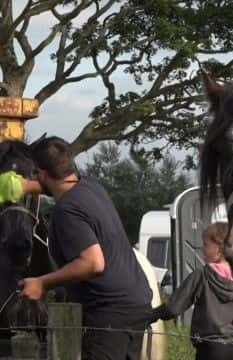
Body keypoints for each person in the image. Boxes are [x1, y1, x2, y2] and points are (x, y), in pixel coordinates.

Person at [5, 137, 152, 360]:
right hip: (135, 305)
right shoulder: (91, 187)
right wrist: (21, 186)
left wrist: (42, 282)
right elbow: (55, 184)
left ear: (41, 173)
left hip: (109, 314)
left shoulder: (67, 210)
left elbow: (93, 262)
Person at [148, 222, 233, 360]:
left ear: (219, 248)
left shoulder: (201, 276)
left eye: (206, 245)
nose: (202, 249)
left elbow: (172, 308)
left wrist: (148, 315)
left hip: (209, 350)